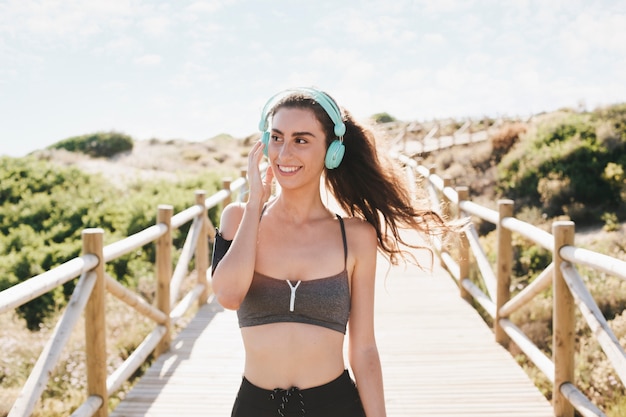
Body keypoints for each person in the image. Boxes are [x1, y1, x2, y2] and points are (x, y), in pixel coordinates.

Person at [210, 87, 452, 417]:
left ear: (332, 151)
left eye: (301, 140)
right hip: (255, 407)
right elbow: (228, 295)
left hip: (336, 406)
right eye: (277, 138)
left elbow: (364, 347)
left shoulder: (354, 237)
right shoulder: (238, 218)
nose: (284, 153)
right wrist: (255, 204)